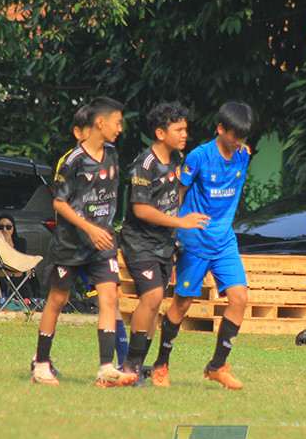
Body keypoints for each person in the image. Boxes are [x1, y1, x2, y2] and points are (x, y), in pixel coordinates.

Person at [30, 96, 137, 387]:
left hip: (102, 245)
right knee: (58, 299)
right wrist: (89, 228)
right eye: (117, 122)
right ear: (99, 123)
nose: (120, 128)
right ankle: (41, 364)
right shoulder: (71, 161)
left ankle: (105, 367)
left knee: (109, 297)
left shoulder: (113, 154)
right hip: (71, 244)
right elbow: (59, 204)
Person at [149, 102, 255, 390]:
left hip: (224, 242)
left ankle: (217, 365)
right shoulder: (198, 157)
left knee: (240, 298)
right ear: (221, 129)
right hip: (194, 242)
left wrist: (241, 147)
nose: (239, 143)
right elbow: (178, 194)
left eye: (243, 138)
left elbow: (241, 155)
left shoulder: (243, 155)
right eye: (234, 136)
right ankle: (160, 366)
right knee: (182, 304)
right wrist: (172, 233)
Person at [119, 102, 209, 385]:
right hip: (139, 241)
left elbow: (175, 197)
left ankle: (135, 364)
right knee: (153, 297)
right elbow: (141, 211)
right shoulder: (144, 165)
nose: (185, 134)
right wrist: (181, 223)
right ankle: (131, 365)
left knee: (155, 302)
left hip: (164, 243)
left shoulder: (177, 158)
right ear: (160, 133)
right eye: (178, 129)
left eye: (186, 128)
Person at [0, 213, 39, 299]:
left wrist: (10, 245)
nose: (4, 230)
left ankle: (20, 298)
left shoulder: (20, 242)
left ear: (13, 229)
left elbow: (20, 259)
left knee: (25, 271)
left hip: (15, 269)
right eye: (1, 227)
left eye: (8, 227)